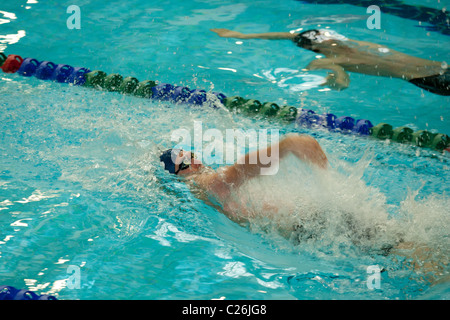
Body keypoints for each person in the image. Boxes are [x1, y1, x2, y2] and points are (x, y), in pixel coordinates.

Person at [210, 28, 450, 95]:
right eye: (326, 36)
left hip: (440, 72)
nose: (331, 37)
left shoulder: (341, 50)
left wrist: (242, 36)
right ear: (318, 45)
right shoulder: (338, 54)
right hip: (433, 76)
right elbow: (342, 85)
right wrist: (334, 78)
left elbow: (292, 36)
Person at [159, 133, 327, 227]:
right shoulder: (199, 182)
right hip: (304, 226)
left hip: (302, 221)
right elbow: (239, 171)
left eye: (191, 155)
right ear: (177, 176)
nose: (196, 162)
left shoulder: (198, 185)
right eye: (186, 162)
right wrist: (286, 146)